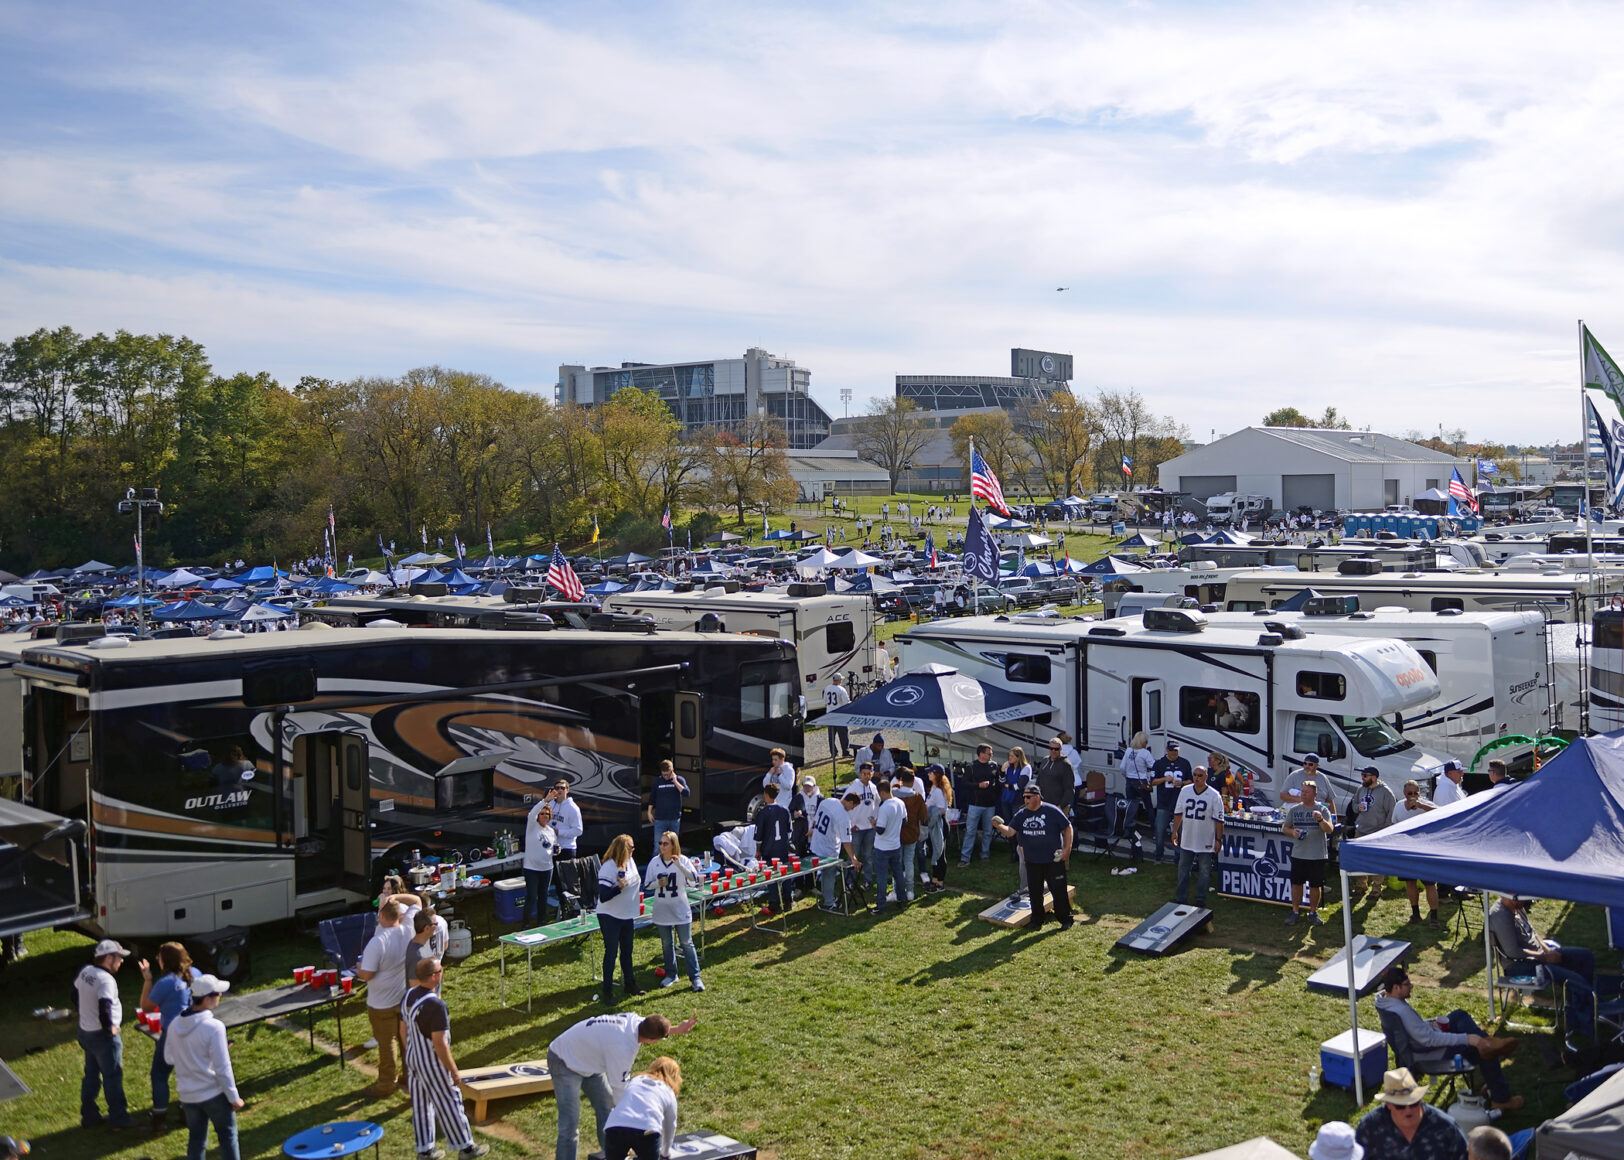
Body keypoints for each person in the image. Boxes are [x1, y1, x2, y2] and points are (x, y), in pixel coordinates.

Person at [547, 1012, 696, 1160]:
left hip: (588, 1060)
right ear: (652, 1041)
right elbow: (619, 1090)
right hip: (563, 1060)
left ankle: (611, 1153)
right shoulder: (623, 1049)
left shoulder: (635, 1020)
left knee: (606, 1107)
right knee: (569, 1125)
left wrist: (676, 1029)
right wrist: (631, 1119)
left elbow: (653, 1026)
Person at [1374, 967, 1522, 1112]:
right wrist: (1468, 1039)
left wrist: (1430, 1024)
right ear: (1396, 987)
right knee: (1484, 1051)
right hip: (1432, 1053)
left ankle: (1487, 1047)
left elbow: (1414, 1029)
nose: (1411, 986)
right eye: (1407, 984)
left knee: (1459, 1016)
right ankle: (1501, 1099)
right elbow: (1429, 1040)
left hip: (1424, 1042)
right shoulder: (1401, 1011)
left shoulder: (1385, 1002)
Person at [401, 958, 488, 1160]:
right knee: (450, 1101)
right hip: (432, 1062)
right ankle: (467, 1147)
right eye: (441, 970)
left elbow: (403, 1029)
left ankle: (425, 1150)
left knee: (421, 1104)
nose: (443, 972)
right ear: (434, 976)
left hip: (413, 1058)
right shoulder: (436, 1005)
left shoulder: (408, 995)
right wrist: (453, 1070)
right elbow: (439, 1043)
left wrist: (412, 1054)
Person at [165, 974, 242, 1160]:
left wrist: (190, 1054)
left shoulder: (175, 1024)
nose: (220, 997)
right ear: (207, 999)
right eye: (217, 994)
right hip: (213, 1094)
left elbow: (168, 1058)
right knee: (227, 1136)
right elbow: (222, 1068)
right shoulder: (214, 1027)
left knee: (197, 1139)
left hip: (188, 1095)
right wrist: (234, 1098)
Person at [991, 784, 1074, 931]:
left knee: (1058, 891)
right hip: (1032, 861)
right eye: (1024, 797)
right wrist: (998, 826)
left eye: (1028, 797)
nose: (1025, 799)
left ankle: (1065, 919)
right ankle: (1037, 920)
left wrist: (1067, 849)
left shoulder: (1052, 811)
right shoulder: (1022, 814)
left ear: (1037, 797)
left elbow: (1068, 828)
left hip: (1052, 861)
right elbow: (1010, 832)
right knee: (1035, 893)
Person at [357, 897, 418, 1095]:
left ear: (381, 917)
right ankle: (409, 1078)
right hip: (403, 997)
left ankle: (386, 1084)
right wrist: (397, 897)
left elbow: (367, 975)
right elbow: (417, 899)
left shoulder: (377, 942)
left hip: (380, 1002)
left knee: (386, 1043)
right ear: (399, 916)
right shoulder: (407, 929)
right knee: (405, 1041)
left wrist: (359, 969)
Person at [138, 941, 202, 1130]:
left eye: (159, 957)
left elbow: (146, 1007)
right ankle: (186, 1111)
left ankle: (158, 1117)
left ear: (165, 961)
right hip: (195, 1031)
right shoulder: (196, 974)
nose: (157, 960)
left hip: (173, 1034)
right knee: (187, 1071)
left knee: (159, 1074)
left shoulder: (166, 982)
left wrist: (148, 980)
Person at [74, 937, 135, 1130]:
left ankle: (89, 1116)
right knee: (112, 1077)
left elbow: (73, 994)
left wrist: (85, 1013)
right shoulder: (106, 980)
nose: (122, 961)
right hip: (102, 1037)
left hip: (86, 1032)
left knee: (91, 1075)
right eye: (119, 957)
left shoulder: (85, 971)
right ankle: (119, 1119)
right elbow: (105, 1007)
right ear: (108, 958)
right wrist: (110, 1028)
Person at [1487, 894, 1597, 991]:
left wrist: (1547, 951)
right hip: (1520, 965)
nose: (1525, 901)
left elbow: (1532, 932)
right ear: (1512, 897)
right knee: (1574, 979)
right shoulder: (1500, 916)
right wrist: (1543, 957)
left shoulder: (1516, 906)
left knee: (1585, 956)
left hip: (1539, 956)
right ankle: (1588, 1005)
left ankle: (1585, 998)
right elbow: (1513, 952)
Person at [1355, 1068, 1467, 1160]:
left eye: (1414, 1103)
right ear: (1388, 1105)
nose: (1408, 1110)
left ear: (1421, 1099)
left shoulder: (1445, 1127)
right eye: (1400, 1106)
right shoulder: (1370, 1127)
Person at [644, 832, 705, 992]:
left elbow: (693, 878)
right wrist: (658, 884)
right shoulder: (654, 862)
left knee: (686, 943)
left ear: (673, 845)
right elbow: (646, 885)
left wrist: (679, 866)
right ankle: (671, 974)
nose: (662, 847)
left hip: (680, 908)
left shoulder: (683, 860)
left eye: (665, 844)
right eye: (660, 843)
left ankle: (695, 977)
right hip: (662, 908)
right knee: (666, 944)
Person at [603, 1056, 683, 1160]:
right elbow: (670, 1126)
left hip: (615, 1125)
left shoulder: (635, 1080)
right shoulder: (668, 1091)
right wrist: (665, 1153)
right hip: (647, 1129)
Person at [1282, 779, 1336, 926]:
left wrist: (1320, 820)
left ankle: (1313, 912)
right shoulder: (1295, 810)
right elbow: (1285, 828)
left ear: (1314, 794)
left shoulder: (1323, 809)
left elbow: (1330, 830)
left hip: (1317, 854)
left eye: (1306, 792)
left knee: (1315, 885)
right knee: (1296, 884)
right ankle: (1295, 912)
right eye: (1302, 791)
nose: (1303, 794)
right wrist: (1293, 832)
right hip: (1299, 853)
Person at [596, 834, 643, 1003]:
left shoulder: (630, 862)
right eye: (630, 847)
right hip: (610, 916)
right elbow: (603, 896)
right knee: (611, 953)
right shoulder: (608, 867)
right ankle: (607, 992)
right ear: (622, 848)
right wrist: (618, 887)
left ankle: (629, 984)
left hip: (626, 914)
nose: (633, 849)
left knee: (627, 951)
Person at [1172, 765, 1224, 910]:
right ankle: (1181, 897)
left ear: (1206, 777)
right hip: (1187, 837)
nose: (1196, 778)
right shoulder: (1185, 791)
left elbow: (1219, 820)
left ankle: (1200, 898)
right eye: (1195, 775)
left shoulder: (1214, 795)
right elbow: (1178, 813)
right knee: (1183, 868)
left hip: (1205, 839)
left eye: (1200, 775)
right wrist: (1175, 831)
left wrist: (1218, 839)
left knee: (1205, 870)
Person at [1395, 781, 1441, 927]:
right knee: (1410, 882)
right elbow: (1393, 825)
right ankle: (1415, 914)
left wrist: (1421, 806)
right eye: (1410, 794)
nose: (1414, 796)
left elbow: (1439, 811)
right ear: (1404, 794)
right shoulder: (1398, 806)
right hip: (1406, 849)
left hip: (1424, 850)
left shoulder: (1425, 804)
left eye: (1416, 793)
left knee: (1430, 884)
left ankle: (1434, 917)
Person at [1348, 766, 1397, 901]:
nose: (1362, 778)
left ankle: (1376, 889)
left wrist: (1386, 830)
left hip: (1377, 832)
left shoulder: (1385, 792)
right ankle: (1361, 885)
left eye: (1365, 775)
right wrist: (1357, 807)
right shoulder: (1361, 789)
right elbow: (1354, 805)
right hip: (1361, 830)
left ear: (1374, 777)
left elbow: (1391, 812)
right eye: (1362, 775)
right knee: (1359, 860)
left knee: (1376, 861)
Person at [811, 790, 860, 912]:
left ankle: (825, 897)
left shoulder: (827, 801)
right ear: (850, 802)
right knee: (829, 875)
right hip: (828, 848)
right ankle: (829, 902)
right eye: (853, 806)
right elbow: (846, 842)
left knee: (824, 874)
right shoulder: (843, 816)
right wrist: (853, 858)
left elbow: (816, 821)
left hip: (817, 843)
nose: (852, 809)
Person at [871, 778, 910, 915]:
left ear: (882, 793)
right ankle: (902, 900)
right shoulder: (900, 803)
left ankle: (880, 906)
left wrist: (874, 825)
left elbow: (880, 830)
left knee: (881, 877)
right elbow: (905, 821)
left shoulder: (884, 807)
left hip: (882, 847)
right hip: (896, 845)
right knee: (898, 874)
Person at [1151, 740, 1192, 863]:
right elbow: (1152, 782)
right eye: (1172, 750)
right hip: (1163, 802)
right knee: (1160, 830)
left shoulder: (1184, 763)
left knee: (1179, 832)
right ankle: (1158, 854)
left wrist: (1182, 783)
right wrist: (1164, 779)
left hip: (1180, 804)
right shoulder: (1159, 763)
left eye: (1176, 750)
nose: (1174, 752)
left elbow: (1191, 781)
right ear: (1167, 750)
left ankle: (1178, 857)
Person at [959, 744, 1000, 865]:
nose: (991, 755)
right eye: (989, 753)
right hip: (975, 804)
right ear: (981, 754)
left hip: (990, 804)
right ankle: (965, 858)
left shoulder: (994, 765)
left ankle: (985, 855)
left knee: (988, 831)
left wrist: (995, 795)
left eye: (991, 753)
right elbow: (964, 783)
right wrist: (978, 785)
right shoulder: (971, 767)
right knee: (971, 831)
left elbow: (998, 782)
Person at [524, 801, 559, 926]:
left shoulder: (551, 831)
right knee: (532, 896)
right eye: (542, 814)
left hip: (547, 868)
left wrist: (557, 850)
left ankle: (541, 921)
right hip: (531, 868)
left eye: (547, 814)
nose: (544, 816)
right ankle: (526, 923)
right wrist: (545, 800)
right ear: (538, 816)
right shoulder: (532, 827)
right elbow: (531, 813)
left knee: (544, 896)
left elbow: (553, 847)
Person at [845, 762, 879, 889]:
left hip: (869, 828)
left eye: (869, 773)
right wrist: (851, 824)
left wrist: (875, 818)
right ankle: (850, 881)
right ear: (860, 774)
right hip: (856, 829)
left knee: (868, 856)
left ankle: (868, 880)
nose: (866, 776)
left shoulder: (873, 788)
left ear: (872, 773)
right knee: (853, 856)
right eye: (864, 774)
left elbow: (878, 804)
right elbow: (844, 805)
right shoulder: (854, 787)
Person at [894, 768, 928, 892]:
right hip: (912, 833)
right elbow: (923, 817)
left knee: (897, 863)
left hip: (896, 834)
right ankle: (910, 891)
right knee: (909, 862)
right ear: (913, 782)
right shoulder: (918, 797)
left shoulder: (894, 795)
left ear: (901, 780)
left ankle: (897, 890)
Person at [1119, 732, 1155, 838]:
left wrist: (1126, 776)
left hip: (1129, 781)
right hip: (1141, 782)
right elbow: (1153, 765)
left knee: (1130, 807)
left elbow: (1122, 767)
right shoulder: (1145, 753)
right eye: (1146, 741)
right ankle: (1154, 832)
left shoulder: (1128, 751)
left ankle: (1129, 831)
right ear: (1143, 742)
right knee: (1148, 806)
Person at [923, 765, 952, 890]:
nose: (928, 774)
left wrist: (929, 814)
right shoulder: (935, 787)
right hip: (933, 824)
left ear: (936, 774)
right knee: (934, 852)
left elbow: (941, 810)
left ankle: (940, 882)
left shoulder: (939, 791)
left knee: (939, 853)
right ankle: (934, 878)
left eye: (930, 772)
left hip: (939, 824)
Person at [648, 759, 689, 845]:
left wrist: (675, 781)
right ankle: (657, 858)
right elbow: (652, 798)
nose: (665, 777)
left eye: (667, 774)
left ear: (672, 771)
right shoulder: (657, 781)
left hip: (674, 818)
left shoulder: (680, 780)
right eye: (663, 775)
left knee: (673, 845)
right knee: (658, 845)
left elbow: (686, 793)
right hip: (660, 819)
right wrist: (649, 812)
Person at [404, 908, 442, 993]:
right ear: (427, 928)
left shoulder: (425, 942)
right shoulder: (416, 956)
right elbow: (415, 988)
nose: (437, 926)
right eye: (435, 924)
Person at [1033, 738, 1073, 811]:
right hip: (1043, 804)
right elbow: (1038, 780)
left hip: (1058, 807)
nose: (1053, 751)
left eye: (1056, 749)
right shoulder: (1045, 760)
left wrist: (1061, 806)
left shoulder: (1066, 765)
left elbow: (1069, 789)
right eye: (1051, 748)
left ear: (1060, 749)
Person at [551, 779, 584, 858]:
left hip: (567, 849)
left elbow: (578, 831)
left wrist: (558, 832)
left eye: (562, 788)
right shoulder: (550, 804)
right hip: (551, 848)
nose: (559, 790)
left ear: (567, 790)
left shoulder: (573, 808)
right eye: (557, 788)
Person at [822, 674, 850, 764]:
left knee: (831, 735)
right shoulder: (841, 689)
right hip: (839, 714)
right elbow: (846, 702)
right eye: (840, 680)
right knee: (843, 734)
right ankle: (845, 751)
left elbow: (825, 702)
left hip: (830, 714)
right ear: (838, 680)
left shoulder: (827, 688)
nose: (841, 681)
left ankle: (833, 752)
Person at [793, 774, 821, 856]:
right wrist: (795, 814)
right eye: (805, 786)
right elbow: (790, 811)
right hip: (801, 834)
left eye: (809, 786)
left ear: (814, 786)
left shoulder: (820, 799)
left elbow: (822, 816)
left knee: (815, 856)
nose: (807, 789)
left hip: (815, 833)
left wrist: (814, 829)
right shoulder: (798, 798)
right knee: (801, 856)